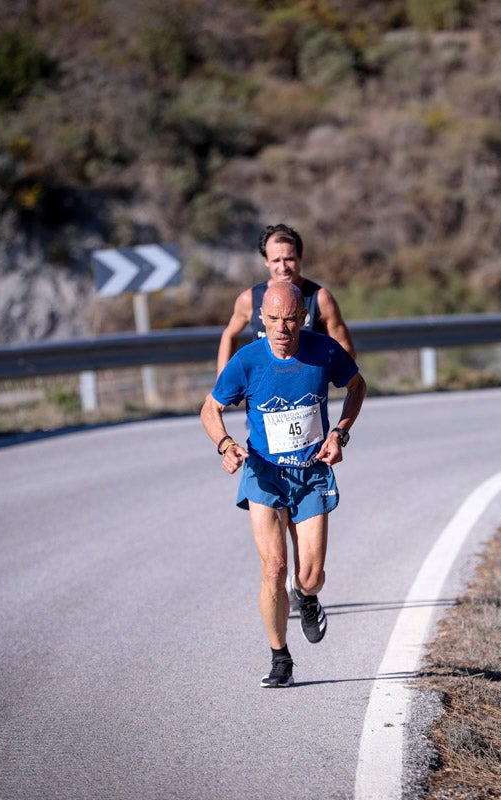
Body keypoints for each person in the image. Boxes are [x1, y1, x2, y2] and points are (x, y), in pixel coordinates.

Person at [201, 282, 367, 688]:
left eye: (290, 319)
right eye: (273, 319)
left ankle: (306, 597)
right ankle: (280, 658)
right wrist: (224, 444)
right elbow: (210, 408)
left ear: (303, 318)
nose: (281, 328)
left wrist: (340, 434)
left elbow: (357, 386)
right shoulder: (247, 361)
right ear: (262, 318)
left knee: (309, 577)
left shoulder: (323, 351)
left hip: (311, 474)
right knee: (273, 568)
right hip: (264, 474)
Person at [216, 223, 356, 375]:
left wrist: (322, 375)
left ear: (300, 256)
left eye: (289, 259)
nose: (283, 267)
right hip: (261, 390)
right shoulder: (249, 299)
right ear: (266, 261)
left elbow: (345, 347)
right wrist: (222, 383)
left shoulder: (320, 298)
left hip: (305, 392)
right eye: (276, 260)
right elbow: (229, 335)